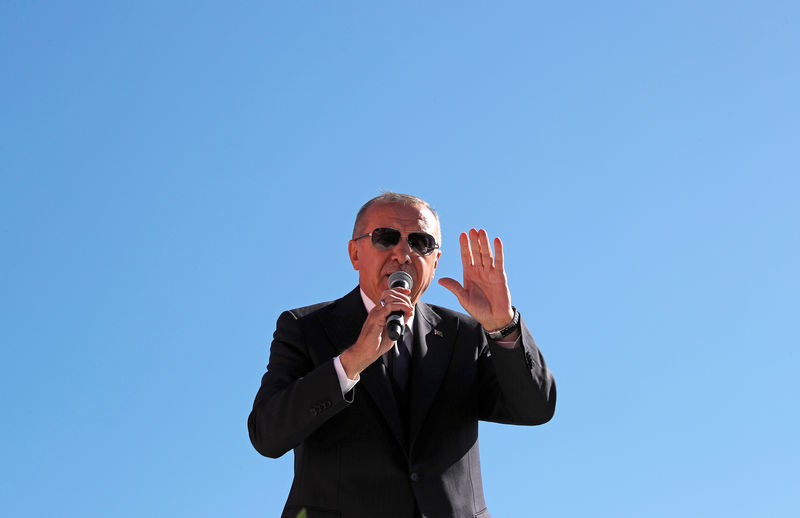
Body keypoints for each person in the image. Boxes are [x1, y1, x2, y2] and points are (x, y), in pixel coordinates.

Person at [248, 192, 556, 518]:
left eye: (421, 242)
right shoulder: (305, 328)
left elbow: (534, 407)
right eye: (386, 238)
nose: (403, 253)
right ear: (355, 253)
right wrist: (350, 363)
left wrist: (502, 326)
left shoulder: (464, 335)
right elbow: (267, 435)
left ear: (435, 262)